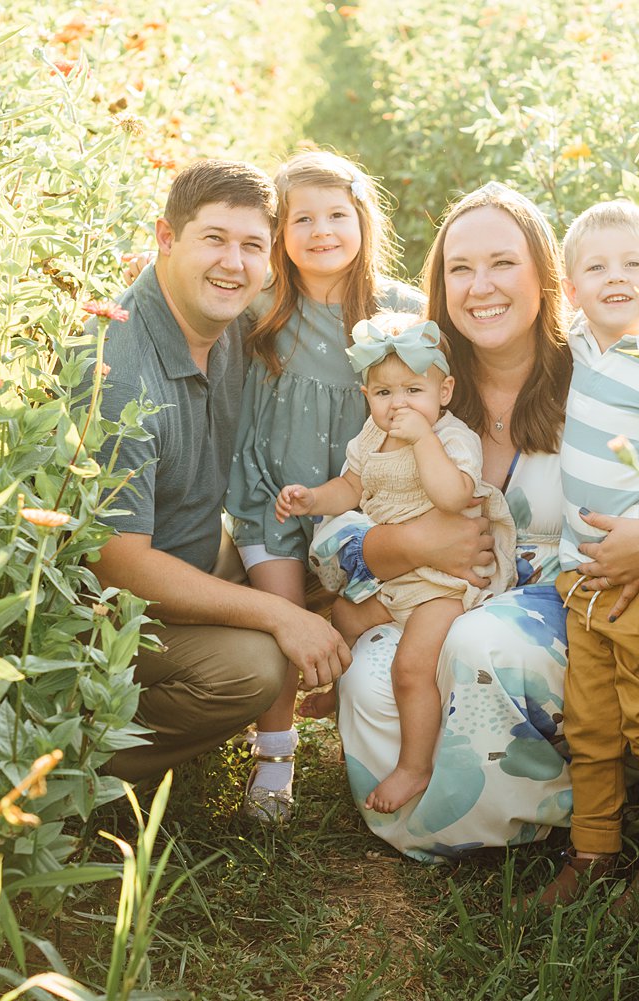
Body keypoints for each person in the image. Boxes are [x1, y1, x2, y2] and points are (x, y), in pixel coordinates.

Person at [312, 183, 639, 864]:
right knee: (376, 675)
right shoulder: (420, 385)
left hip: (577, 601)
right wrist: (401, 541)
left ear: (546, 277)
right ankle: (442, 817)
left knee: (485, 643)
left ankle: (554, 811)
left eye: (502, 263)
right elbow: (341, 518)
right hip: (447, 594)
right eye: (460, 268)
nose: (480, 286)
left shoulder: (600, 362)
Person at [78, 158, 350, 788]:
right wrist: (278, 616)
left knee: (327, 560)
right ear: (166, 239)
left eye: (252, 245)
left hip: (199, 551)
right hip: (111, 611)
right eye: (213, 240)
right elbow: (117, 562)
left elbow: (337, 310)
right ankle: (84, 754)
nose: (234, 263)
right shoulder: (117, 375)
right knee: (253, 669)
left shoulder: (242, 325)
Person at [228, 150, 424, 820]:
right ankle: (275, 760)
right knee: (284, 619)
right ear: (280, 234)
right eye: (301, 218)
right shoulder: (264, 308)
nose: (321, 230)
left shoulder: (400, 310)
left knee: (376, 610)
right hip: (271, 491)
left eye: (337, 214)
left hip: (367, 499)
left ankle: (368, 739)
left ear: (364, 221)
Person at [532, 200, 639, 912]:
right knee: (591, 724)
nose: (616, 277)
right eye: (597, 267)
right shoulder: (577, 345)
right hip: (582, 580)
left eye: (634, 264)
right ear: (571, 291)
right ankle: (593, 849)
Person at [277, 313, 517, 813]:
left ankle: (415, 766)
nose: (399, 405)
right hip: (396, 578)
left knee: (411, 668)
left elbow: (453, 497)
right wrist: (311, 499)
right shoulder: (370, 437)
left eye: (413, 390)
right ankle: (341, 696)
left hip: (442, 586)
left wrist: (423, 440)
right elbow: (352, 487)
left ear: (444, 391)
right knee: (341, 615)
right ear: (367, 395)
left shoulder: (452, 439)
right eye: (384, 394)